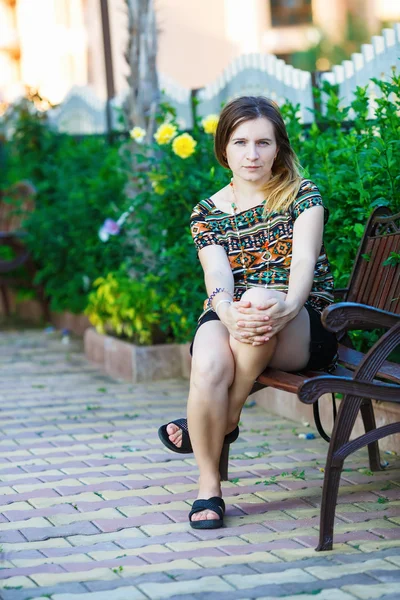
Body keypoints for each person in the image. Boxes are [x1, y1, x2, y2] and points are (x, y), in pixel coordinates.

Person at [158, 96, 337, 530]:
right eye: (241, 143)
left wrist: (284, 306)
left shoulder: (302, 195)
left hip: (302, 319)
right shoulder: (207, 213)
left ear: (279, 148)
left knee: (258, 298)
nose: (252, 154)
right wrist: (225, 310)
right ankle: (208, 488)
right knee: (210, 359)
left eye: (263, 143)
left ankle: (228, 416)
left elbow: (302, 266)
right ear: (224, 148)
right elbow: (216, 273)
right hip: (235, 313)